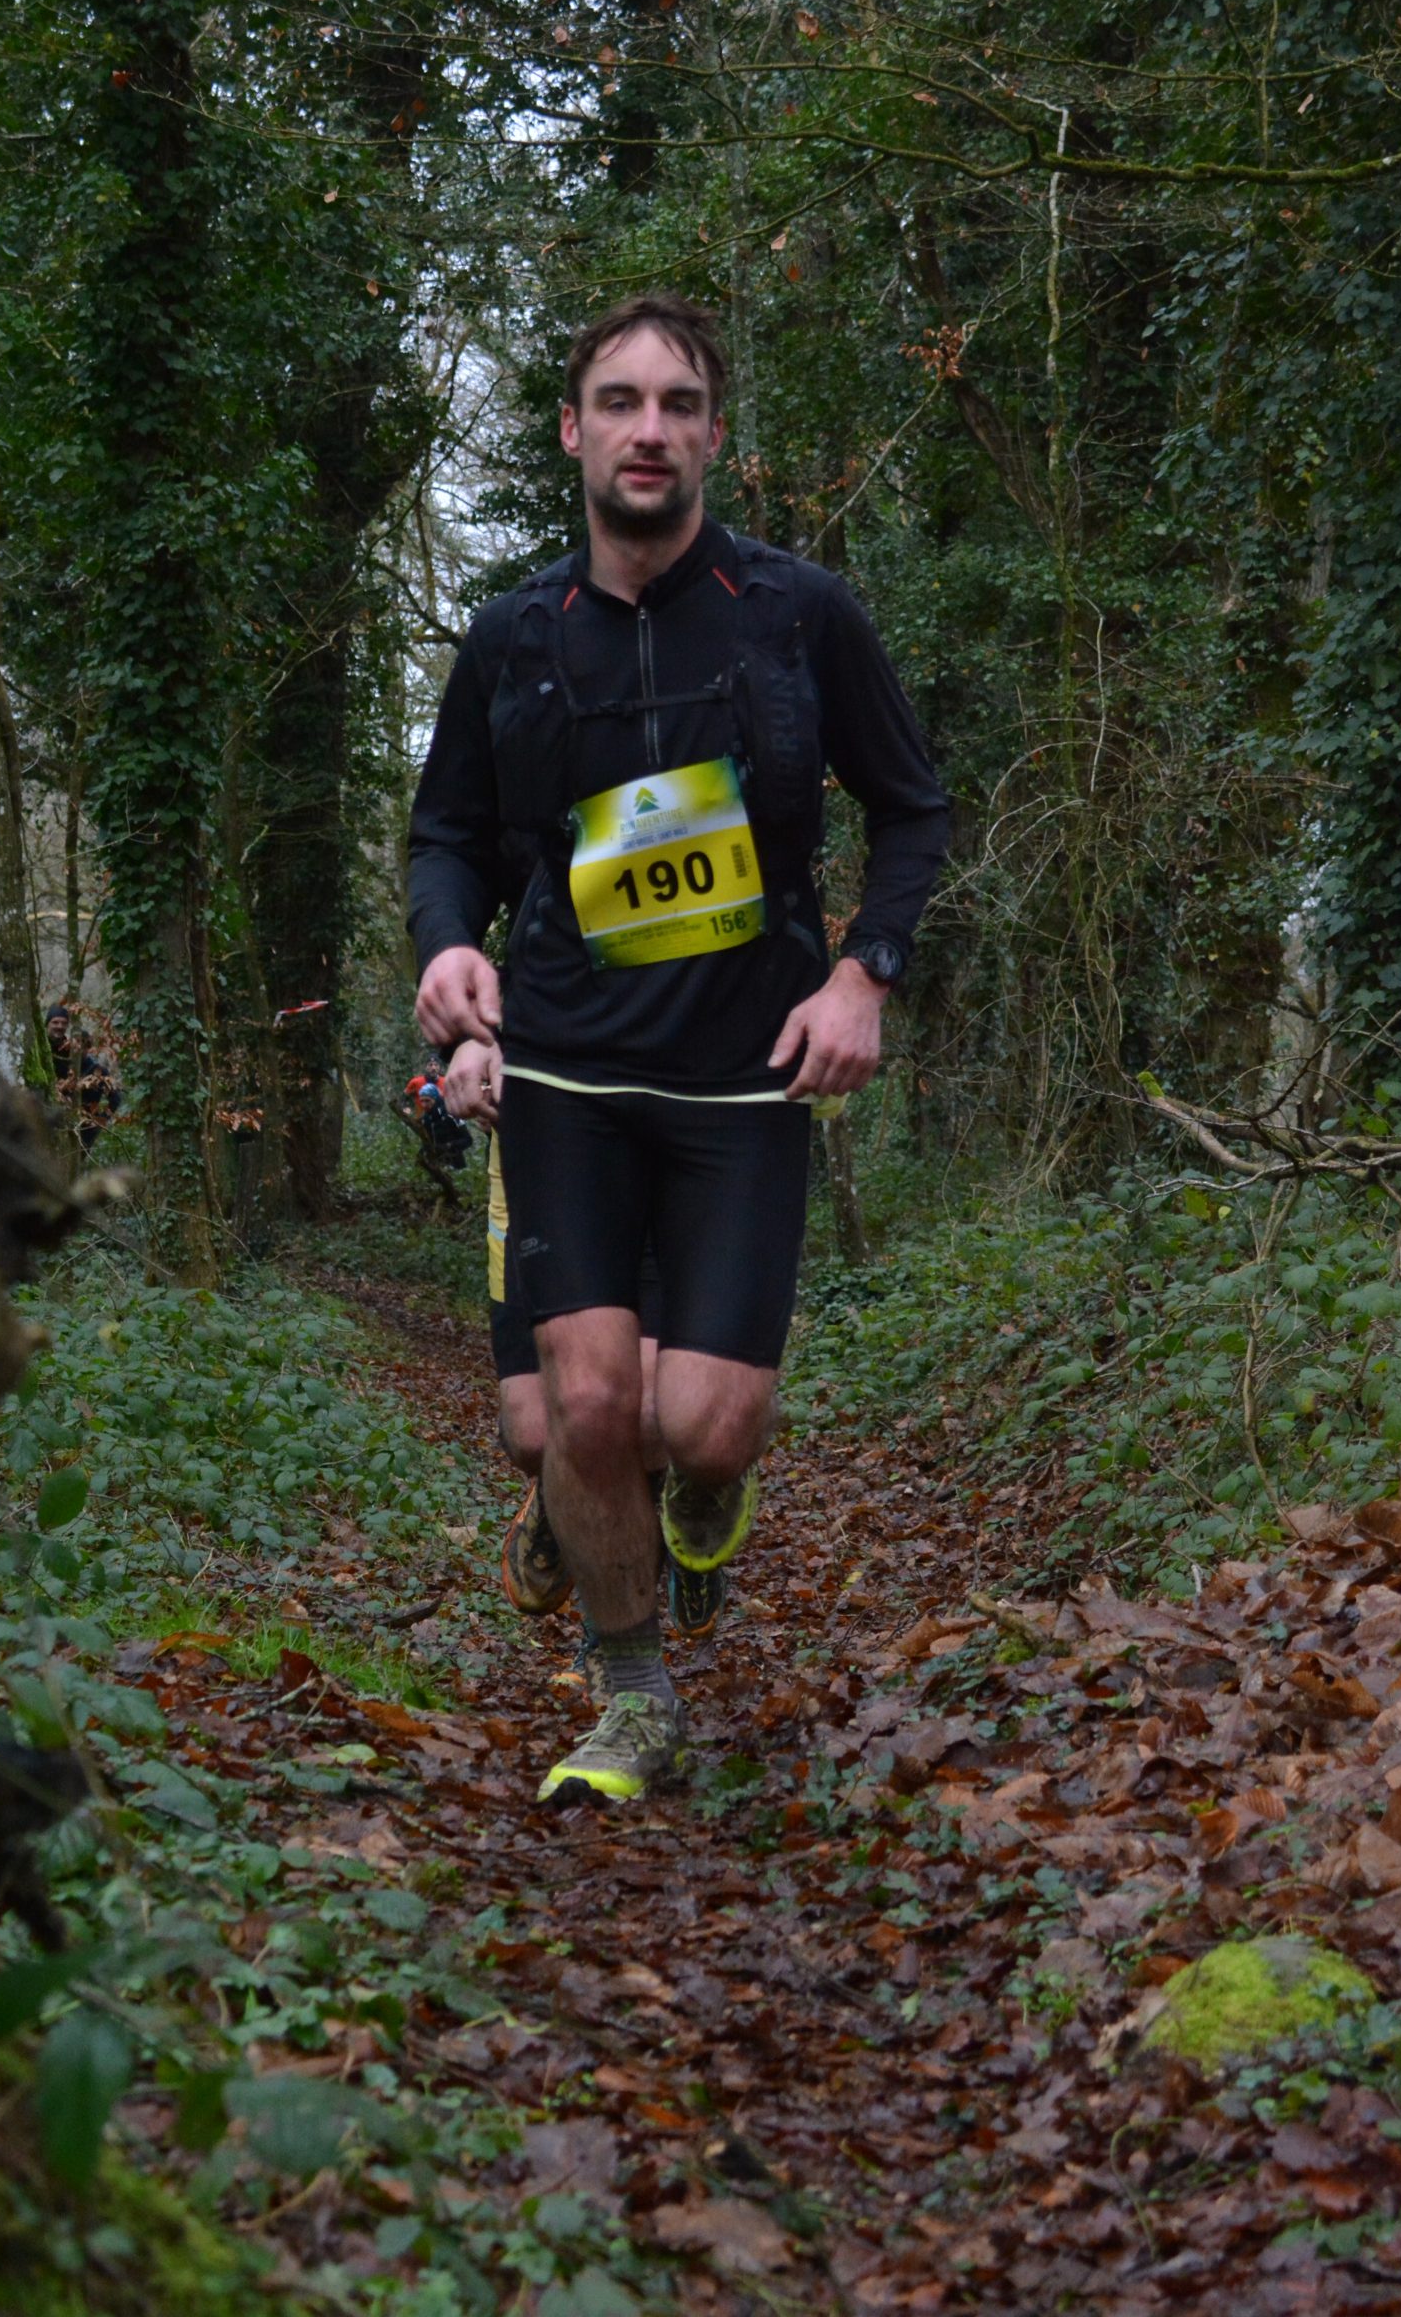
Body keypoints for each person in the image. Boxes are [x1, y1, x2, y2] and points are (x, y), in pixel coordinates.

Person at [407, 292, 948, 1810]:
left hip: (739, 1069)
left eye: (679, 405)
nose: (649, 430)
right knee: (575, 1411)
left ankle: (681, 1495)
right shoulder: (512, 636)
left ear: (714, 435)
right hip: (566, 1067)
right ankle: (631, 1688)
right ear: (571, 431)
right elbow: (447, 833)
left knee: (704, 1422)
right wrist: (448, 945)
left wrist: (862, 977)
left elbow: (912, 808)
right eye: (620, 402)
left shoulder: (799, 614)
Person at [441, 1035, 725, 1664]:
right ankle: (563, 1481)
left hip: (662, 1145)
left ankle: (616, 1641)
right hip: (541, 1153)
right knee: (534, 1436)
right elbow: (457, 983)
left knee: (643, 1421)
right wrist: (467, 1041)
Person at [44, 1005, 121, 1153]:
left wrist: (101, 1119)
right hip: (57, 1120)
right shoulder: (56, 1055)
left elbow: (116, 1098)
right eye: (55, 1022)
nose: (79, 1048)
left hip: (85, 1126)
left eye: (63, 1023)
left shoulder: (97, 1070)